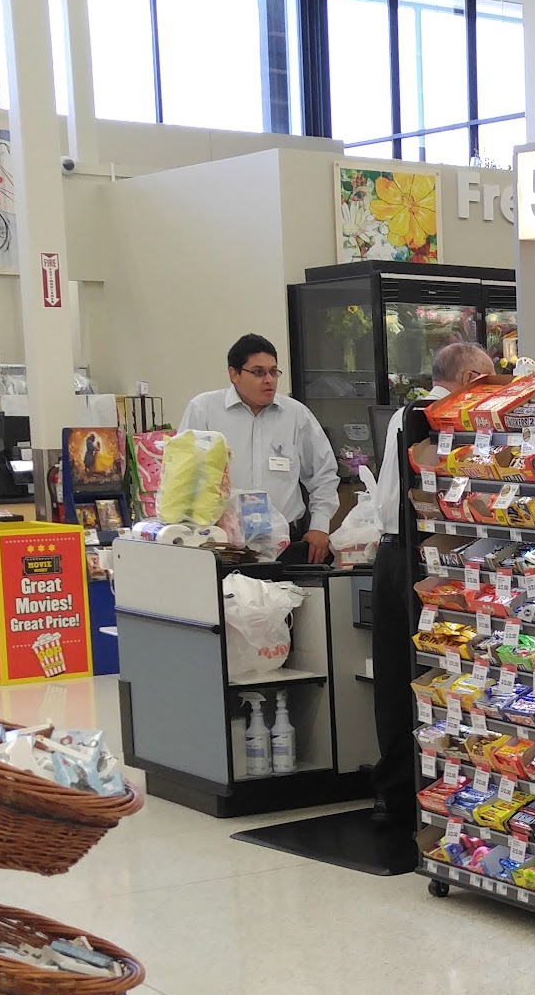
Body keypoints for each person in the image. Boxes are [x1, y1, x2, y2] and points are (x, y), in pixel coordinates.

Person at [370, 341, 496, 826]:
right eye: (486, 380)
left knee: (400, 672)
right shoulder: (433, 417)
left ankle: (401, 792)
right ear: (469, 380)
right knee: (428, 669)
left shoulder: (407, 415)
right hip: (418, 556)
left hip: (394, 552)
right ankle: (419, 789)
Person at [179, 334, 341, 564]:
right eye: (258, 372)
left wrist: (319, 526)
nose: (269, 380)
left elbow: (323, 474)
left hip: (285, 542)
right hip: (223, 543)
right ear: (234, 374)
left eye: (273, 372)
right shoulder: (204, 410)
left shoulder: (296, 415)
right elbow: (185, 476)